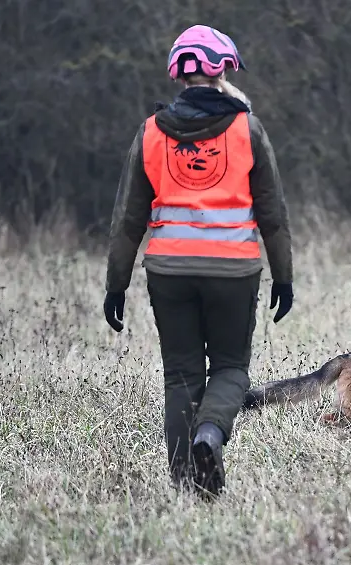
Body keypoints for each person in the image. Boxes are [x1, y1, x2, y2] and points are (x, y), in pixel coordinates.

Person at [103, 24, 294, 498]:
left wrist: (116, 284)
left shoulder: (151, 132)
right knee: (230, 368)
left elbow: (128, 218)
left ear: (178, 74)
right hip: (234, 270)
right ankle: (211, 433)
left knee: (181, 374)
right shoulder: (246, 128)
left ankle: (187, 483)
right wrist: (284, 277)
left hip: (169, 271)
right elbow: (272, 213)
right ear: (223, 70)